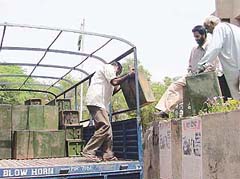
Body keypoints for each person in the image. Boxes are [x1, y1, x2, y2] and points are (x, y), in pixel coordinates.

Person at [155, 25, 220, 118]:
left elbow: (213, 65)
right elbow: (190, 65)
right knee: (175, 85)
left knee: (198, 97)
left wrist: (200, 73)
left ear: (204, 35)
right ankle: (164, 110)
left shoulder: (211, 47)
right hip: (192, 76)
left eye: (197, 37)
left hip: (206, 77)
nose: (196, 39)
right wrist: (190, 74)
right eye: (194, 37)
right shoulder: (194, 50)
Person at [81, 61, 135, 162]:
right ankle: (88, 151)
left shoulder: (107, 76)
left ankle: (108, 155)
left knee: (108, 131)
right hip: (96, 101)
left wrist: (125, 79)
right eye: (117, 73)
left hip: (99, 103)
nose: (116, 75)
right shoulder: (109, 67)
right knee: (104, 126)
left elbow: (114, 88)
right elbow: (115, 82)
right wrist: (128, 75)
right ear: (117, 68)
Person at [198, 15, 240, 100]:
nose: (207, 32)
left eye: (207, 28)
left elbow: (215, 47)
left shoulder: (219, 28)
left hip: (235, 69)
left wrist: (202, 64)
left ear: (212, 23)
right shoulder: (235, 28)